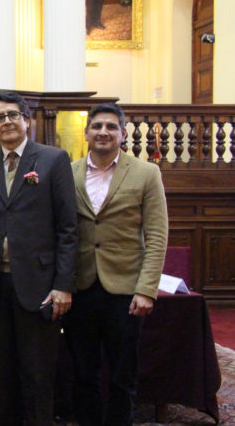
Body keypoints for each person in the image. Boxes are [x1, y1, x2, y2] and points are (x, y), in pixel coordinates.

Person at [0, 90, 78, 425]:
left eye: (13, 115)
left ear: (27, 120)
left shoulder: (53, 160)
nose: (7, 122)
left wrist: (63, 285)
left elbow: (68, 229)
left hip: (39, 285)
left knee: (37, 373)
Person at [65, 103, 168, 425]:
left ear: (122, 134)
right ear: (86, 133)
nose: (103, 132)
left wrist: (147, 289)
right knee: (83, 372)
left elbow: (157, 235)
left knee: (123, 375)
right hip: (80, 287)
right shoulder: (68, 172)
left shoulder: (146, 173)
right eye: (97, 126)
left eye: (111, 127)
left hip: (125, 289)